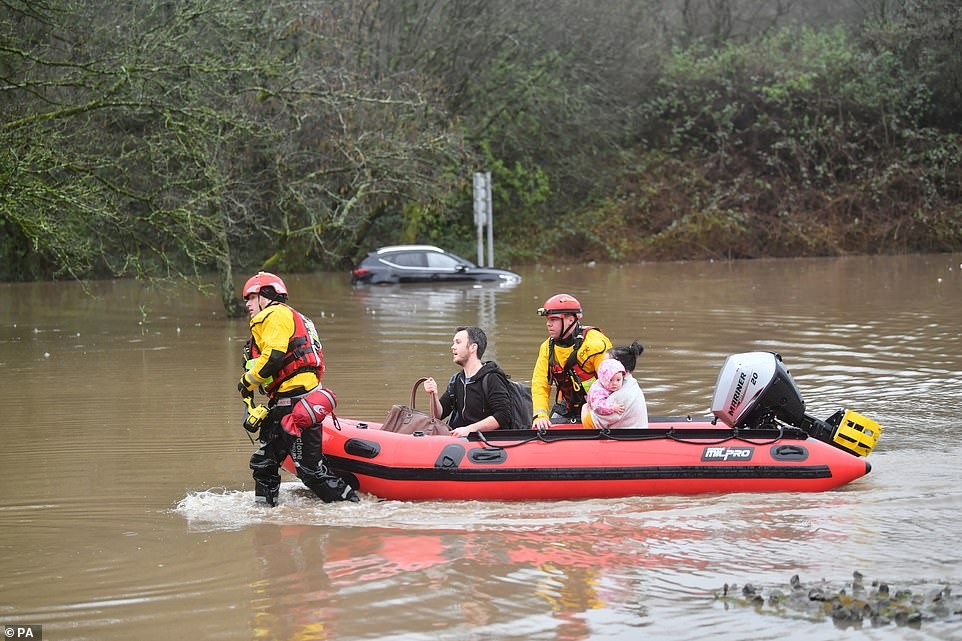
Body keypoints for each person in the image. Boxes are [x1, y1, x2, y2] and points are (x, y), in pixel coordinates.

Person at [238, 271, 357, 506]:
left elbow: (273, 357)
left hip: (296, 406)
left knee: (310, 471)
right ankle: (264, 516)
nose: (248, 305)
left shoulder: (274, 314)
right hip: (284, 403)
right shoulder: (295, 317)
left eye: (250, 298)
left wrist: (247, 380)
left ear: (266, 295)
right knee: (264, 464)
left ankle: (351, 507)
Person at [531, 294, 613, 429]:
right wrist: (540, 416)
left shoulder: (595, 344)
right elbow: (540, 383)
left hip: (597, 405)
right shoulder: (547, 347)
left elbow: (613, 384)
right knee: (544, 428)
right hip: (567, 406)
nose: (548, 324)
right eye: (548, 319)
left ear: (570, 319)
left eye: (553, 319)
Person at [422, 326, 513, 438]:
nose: (452, 347)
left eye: (458, 342)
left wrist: (470, 429)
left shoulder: (492, 378)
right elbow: (437, 416)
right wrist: (433, 395)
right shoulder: (457, 380)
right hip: (461, 440)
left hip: (487, 442)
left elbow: (503, 416)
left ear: (473, 347)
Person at [583, 341, 649, 429]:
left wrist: (586, 408)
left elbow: (590, 424)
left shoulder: (620, 395)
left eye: (606, 364)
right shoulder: (630, 383)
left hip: (626, 440)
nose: (602, 367)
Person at [581, 359, 628, 423]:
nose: (615, 383)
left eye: (618, 380)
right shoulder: (598, 391)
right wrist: (612, 408)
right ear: (604, 378)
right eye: (610, 380)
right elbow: (597, 406)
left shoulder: (606, 384)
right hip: (592, 418)